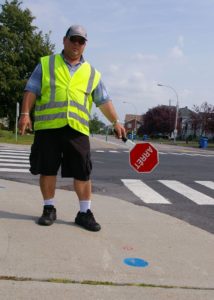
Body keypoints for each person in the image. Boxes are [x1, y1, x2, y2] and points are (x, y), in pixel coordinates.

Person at [18, 24, 126, 232]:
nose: (76, 44)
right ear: (64, 40)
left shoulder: (92, 73)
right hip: (48, 127)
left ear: (85, 45)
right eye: (73, 39)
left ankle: (84, 213)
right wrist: (24, 114)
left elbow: (104, 100)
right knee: (47, 169)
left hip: (77, 129)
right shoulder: (47, 63)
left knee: (83, 172)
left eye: (81, 41)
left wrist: (116, 122)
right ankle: (49, 209)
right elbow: (31, 89)